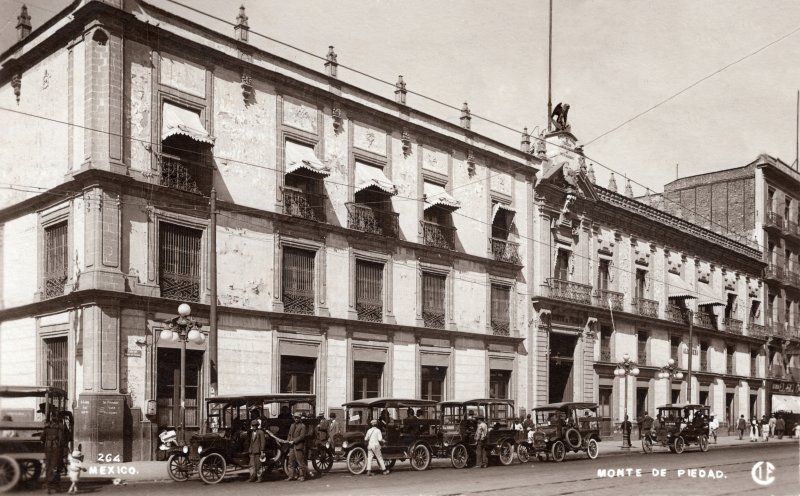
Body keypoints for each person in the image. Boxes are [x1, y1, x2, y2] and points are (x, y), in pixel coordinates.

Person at [43, 415, 67, 494]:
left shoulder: (46, 427)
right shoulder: (60, 428)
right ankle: (57, 487)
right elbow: (62, 440)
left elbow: (42, 438)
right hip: (56, 449)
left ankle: (48, 486)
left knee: (48, 466)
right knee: (56, 466)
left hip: (48, 448)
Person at [285, 414, 308, 482]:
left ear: (300, 418)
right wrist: (288, 440)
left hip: (299, 446)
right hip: (292, 446)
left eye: (297, 418)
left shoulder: (303, 426)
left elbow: (302, 436)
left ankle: (302, 476)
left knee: (300, 462)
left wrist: (294, 441)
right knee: (291, 461)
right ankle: (291, 475)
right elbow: (289, 434)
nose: (296, 419)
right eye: (295, 418)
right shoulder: (292, 425)